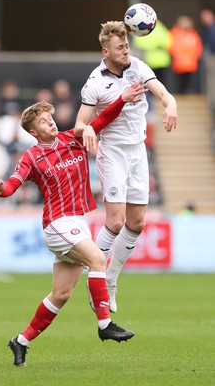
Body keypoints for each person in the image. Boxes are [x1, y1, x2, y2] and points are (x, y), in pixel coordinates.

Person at [0, 82, 147, 367]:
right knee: (98, 259)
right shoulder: (31, 156)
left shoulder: (71, 138)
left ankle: (20, 341)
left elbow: (100, 120)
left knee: (61, 294)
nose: (49, 121)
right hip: (57, 223)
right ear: (33, 132)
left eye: (50, 117)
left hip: (77, 223)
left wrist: (122, 99)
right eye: (42, 121)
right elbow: (14, 182)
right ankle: (104, 324)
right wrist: (4, 190)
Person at [74, 21, 178, 313]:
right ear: (106, 50)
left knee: (137, 223)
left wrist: (171, 105)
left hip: (138, 152)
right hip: (113, 153)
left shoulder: (139, 68)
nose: (126, 51)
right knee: (116, 221)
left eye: (127, 45)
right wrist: (88, 130)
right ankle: (95, 275)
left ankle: (110, 279)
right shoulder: (95, 81)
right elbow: (80, 124)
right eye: (120, 47)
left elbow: (163, 94)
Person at [169, 16, 203, 94]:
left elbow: (198, 47)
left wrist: (196, 56)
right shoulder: (175, 33)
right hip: (179, 64)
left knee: (189, 84)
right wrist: (177, 56)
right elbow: (171, 46)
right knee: (179, 83)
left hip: (191, 64)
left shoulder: (193, 34)